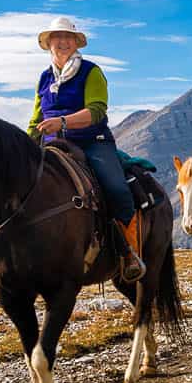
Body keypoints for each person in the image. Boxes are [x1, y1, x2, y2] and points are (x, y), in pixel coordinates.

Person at [26, 16, 145, 283]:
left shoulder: (91, 72)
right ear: (49, 44)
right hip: (53, 144)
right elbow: (36, 120)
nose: (62, 42)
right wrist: (24, 146)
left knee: (116, 188)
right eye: (56, 38)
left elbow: (96, 110)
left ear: (75, 42)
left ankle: (129, 254)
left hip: (92, 141)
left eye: (67, 38)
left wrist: (64, 121)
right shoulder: (44, 78)